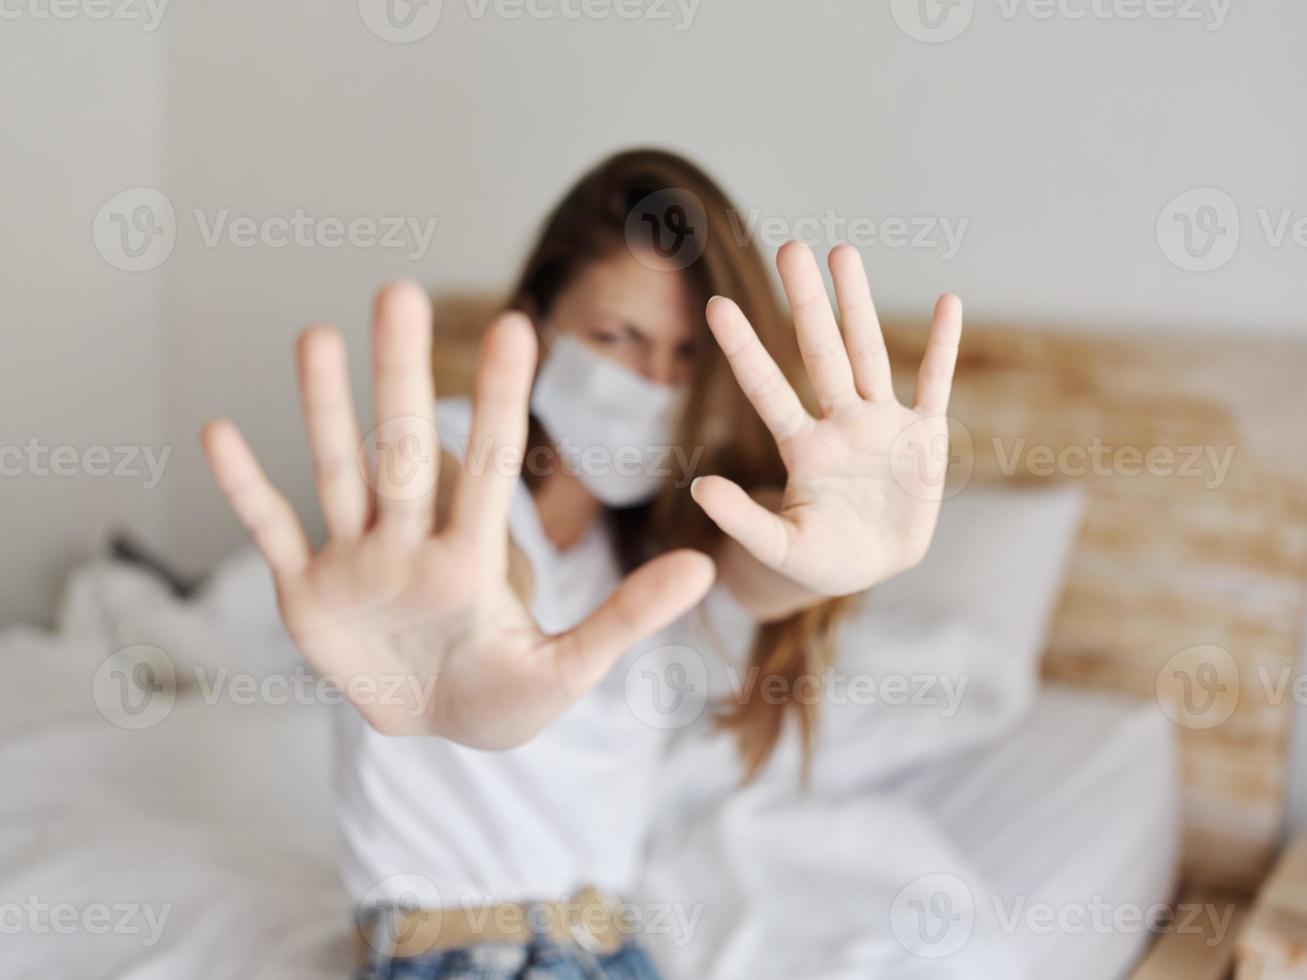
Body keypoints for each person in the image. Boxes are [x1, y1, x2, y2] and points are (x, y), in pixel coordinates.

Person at [200, 148, 963, 980]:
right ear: (537, 319)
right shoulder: (449, 447)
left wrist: (837, 558)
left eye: (683, 356)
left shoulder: (668, 540)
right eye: (617, 337)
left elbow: (760, 568)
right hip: (456, 954)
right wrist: (486, 617)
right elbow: (470, 546)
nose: (653, 381)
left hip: (611, 950)